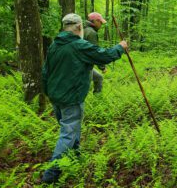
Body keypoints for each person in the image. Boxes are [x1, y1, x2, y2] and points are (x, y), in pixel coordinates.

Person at [41, 13, 128, 183]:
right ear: (79, 27)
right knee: (67, 133)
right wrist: (120, 47)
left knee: (70, 129)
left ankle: (75, 157)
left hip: (56, 96)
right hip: (71, 98)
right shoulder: (79, 45)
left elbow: (45, 72)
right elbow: (104, 55)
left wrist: (48, 92)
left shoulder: (54, 45)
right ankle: (50, 177)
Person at [84, 12, 107, 93]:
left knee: (98, 78)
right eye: (100, 22)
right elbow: (94, 53)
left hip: (82, 64)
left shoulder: (85, 29)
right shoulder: (91, 33)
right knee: (83, 89)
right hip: (84, 66)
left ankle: (97, 99)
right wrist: (102, 67)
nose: (101, 25)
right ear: (96, 21)